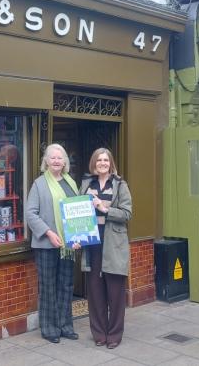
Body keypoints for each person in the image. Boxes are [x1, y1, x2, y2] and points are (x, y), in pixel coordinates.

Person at [25, 143, 81, 344]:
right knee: (48, 286)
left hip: (68, 246)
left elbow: (77, 212)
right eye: (53, 158)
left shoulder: (71, 183)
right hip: (47, 245)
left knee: (66, 285)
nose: (56, 161)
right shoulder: (39, 184)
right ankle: (49, 328)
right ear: (46, 161)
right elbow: (30, 214)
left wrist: (78, 236)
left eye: (60, 158)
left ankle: (65, 326)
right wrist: (49, 233)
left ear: (64, 161)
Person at [80, 147, 133, 349]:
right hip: (92, 246)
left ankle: (115, 334)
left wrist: (104, 208)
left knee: (115, 293)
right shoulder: (87, 184)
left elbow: (127, 214)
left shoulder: (120, 185)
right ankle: (99, 333)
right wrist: (76, 237)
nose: (102, 163)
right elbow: (77, 214)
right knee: (95, 293)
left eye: (106, 160)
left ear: (111, 163)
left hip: (114, 245)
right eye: (99, 160)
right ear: (94, 163)